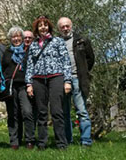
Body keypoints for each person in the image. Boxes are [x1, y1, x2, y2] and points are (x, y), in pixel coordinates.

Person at [25, 15, 72, 150]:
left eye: (45, 25)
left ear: (49, 27)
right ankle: (42, 143)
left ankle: (61, 143)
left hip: (56, 77)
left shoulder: (57, 41)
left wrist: (67, 81)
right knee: (41, 112)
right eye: (40, 25)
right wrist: (29, 84)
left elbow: (66, 61)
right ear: (37, 29)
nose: (43, 27)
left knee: (57, 111)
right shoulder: (33, 44)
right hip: (38, 79)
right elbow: (30, 65)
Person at [57, 17, 95, 147]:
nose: (65, 28)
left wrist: (83, 72)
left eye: (67, 26)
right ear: (59, 29)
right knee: (65, 112)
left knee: (82, 111)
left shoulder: (81, 40)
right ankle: (68, 140)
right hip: (62, 81)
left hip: (78, 79)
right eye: (62, 27)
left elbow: (90, 59)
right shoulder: (56, 42)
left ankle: (86, 140)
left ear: (71, 26)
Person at [2, 26, 35, 150]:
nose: (16, 39)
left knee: (27, 112)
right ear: (10, 38)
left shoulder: (28, 51)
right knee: (12, 114)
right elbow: (4, 68)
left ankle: (30, 140)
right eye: (13, 36)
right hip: (11, 86)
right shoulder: (7, 52)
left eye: (18, 36)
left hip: (24, 85)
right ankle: (14, 141)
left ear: (22, 37)